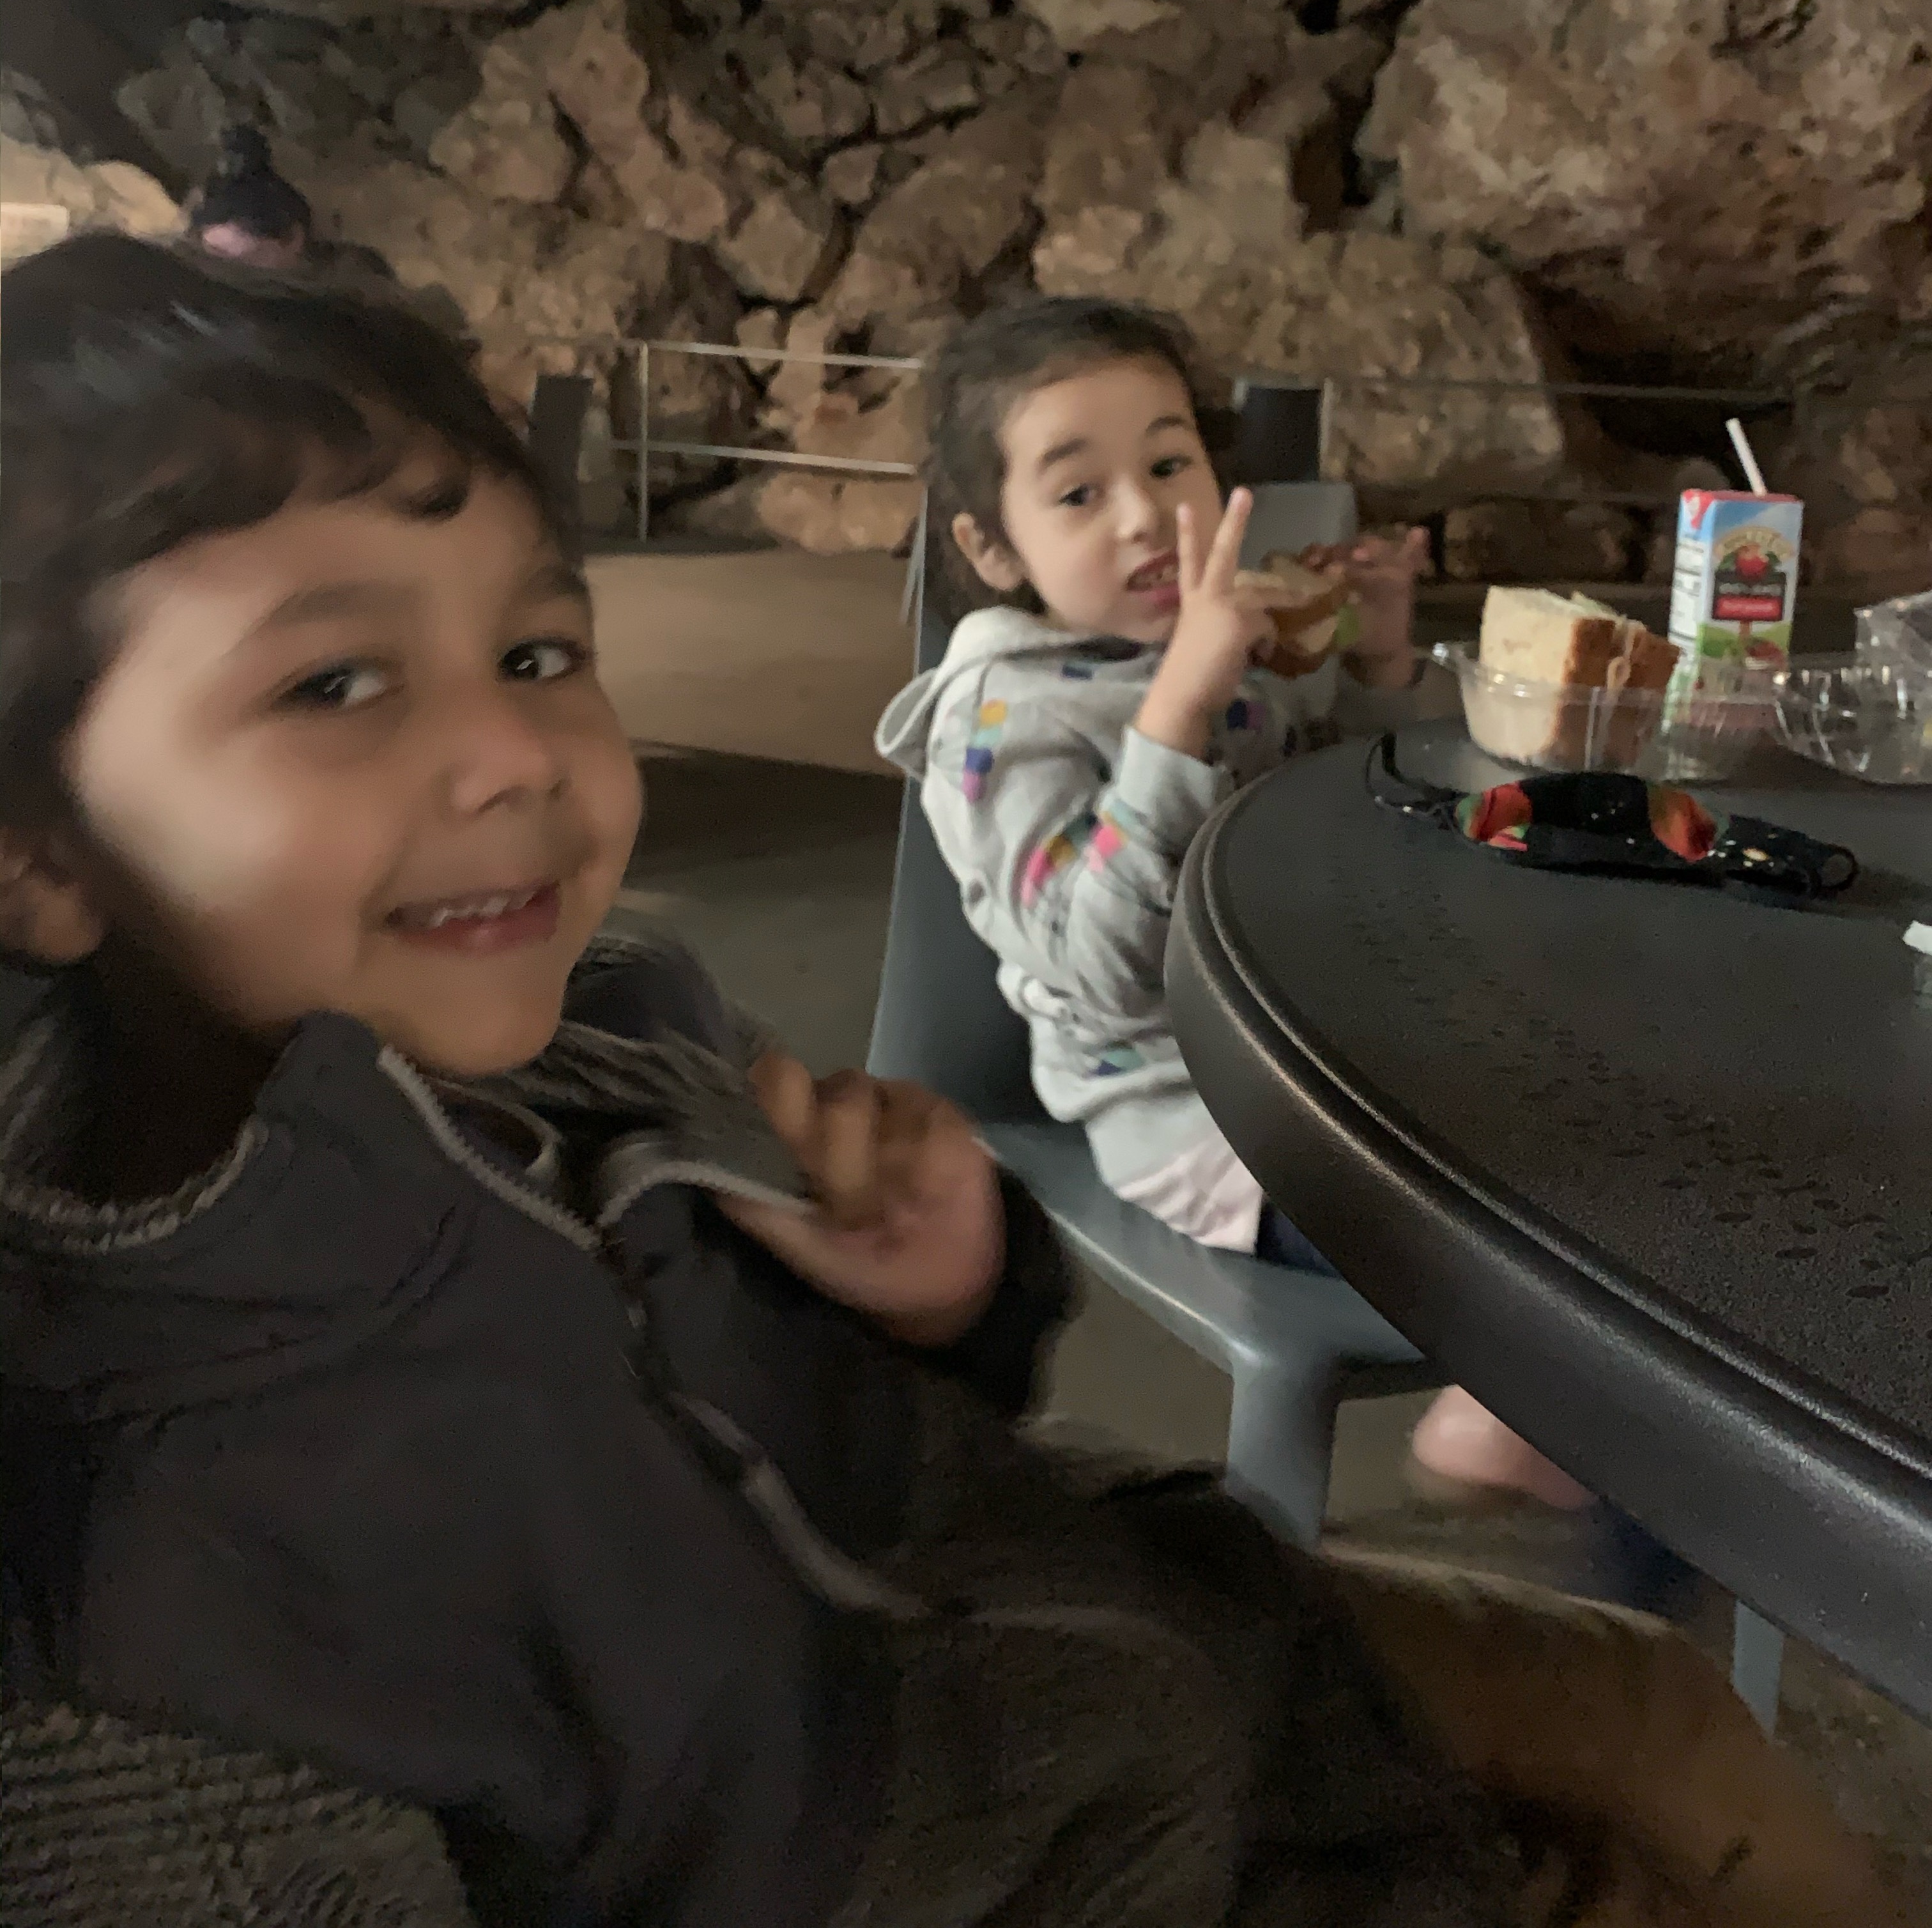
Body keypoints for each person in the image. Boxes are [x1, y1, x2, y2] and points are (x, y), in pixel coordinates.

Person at [0, 238, 1903, 1928]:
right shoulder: (146, 1611)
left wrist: (945, 1304)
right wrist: (1184, 707)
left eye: (539, 646)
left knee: (1658, 1705)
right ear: (38, 846)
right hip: (1060, 1838)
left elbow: (813, 1445)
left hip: (1134, 1655)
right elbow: (1090, 958)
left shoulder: (611, 1043)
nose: (515, 750)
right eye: (333, 683)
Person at [877, 297, 1590, 1512]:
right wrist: (1175, 717)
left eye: (1169, 464)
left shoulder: (1224, 645)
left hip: (1330, 1047)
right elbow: (1102, 970)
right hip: (1199, 1120)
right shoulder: (1000, 724)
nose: (1144, 514)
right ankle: (1519, 1395)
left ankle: (1569, 1406)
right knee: (1559, 1225)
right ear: (992, 548)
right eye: (1078, 492)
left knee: (1601, 1120)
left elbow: (1341, 819)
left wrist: (1374, 663)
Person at [187, 122, 474, 346]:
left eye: (240, 259)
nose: (223, 271)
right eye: (212, 256)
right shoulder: (222, 304)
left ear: (292, 240)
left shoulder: (353, 288)